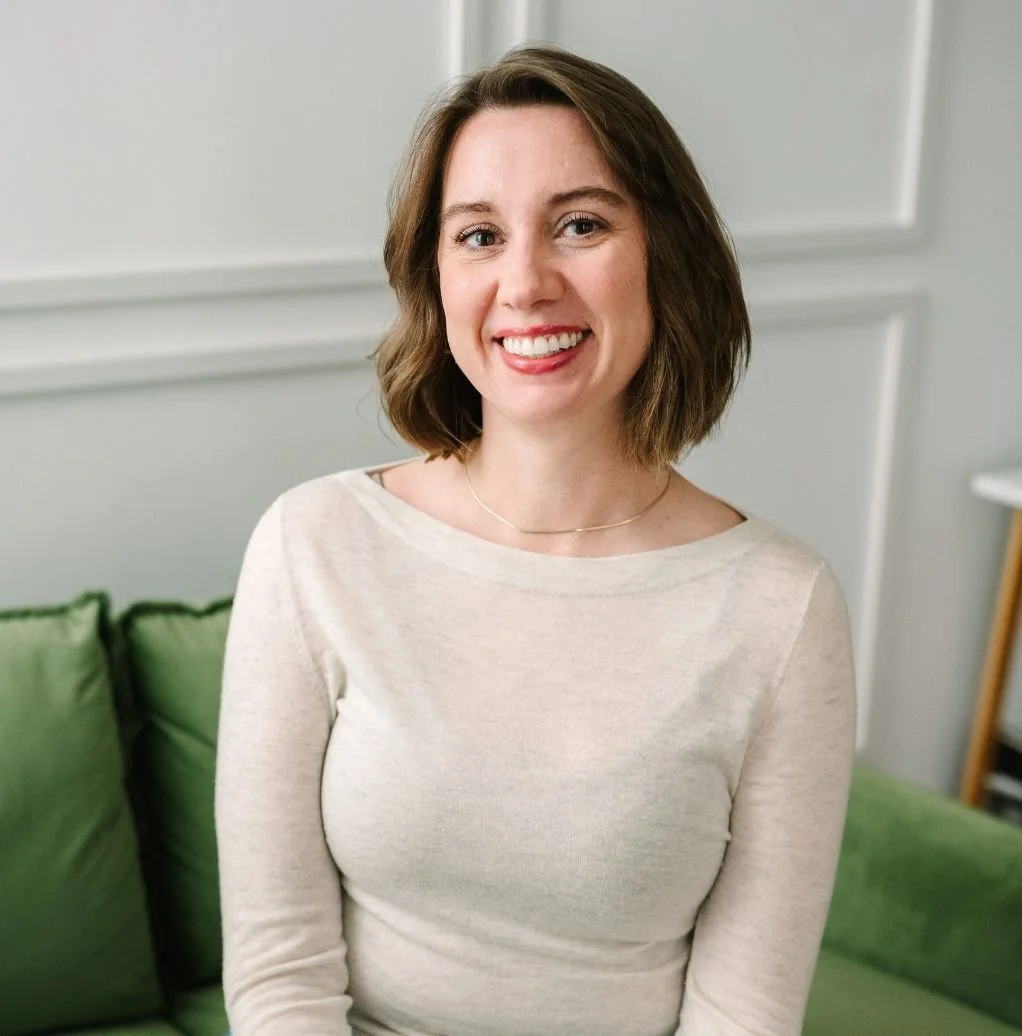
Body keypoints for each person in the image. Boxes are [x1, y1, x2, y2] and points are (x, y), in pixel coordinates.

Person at [214, 43, 857, 1036]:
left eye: (580, 224)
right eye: (477, 235)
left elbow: (744, 1014)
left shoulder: (781, 606)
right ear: (434, 276)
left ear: (663, 255)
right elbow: (279, 978)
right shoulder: (314, 543)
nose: (523, 283)